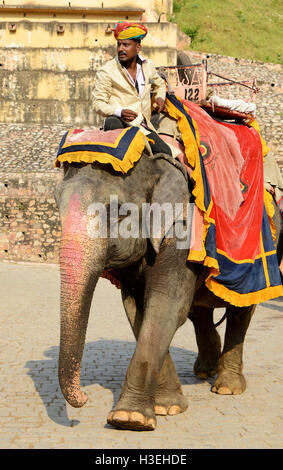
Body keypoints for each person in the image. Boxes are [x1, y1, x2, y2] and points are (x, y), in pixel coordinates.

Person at [92, 21, 172, 156]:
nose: (121, 49)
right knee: (112, 122)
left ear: (138, 47)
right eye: (119, 45)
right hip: (120, 123)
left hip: (143, 126)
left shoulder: (148, 66)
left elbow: (158, 84)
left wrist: (159, 97)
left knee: (168, 154)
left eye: (126, 45)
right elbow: (98, 103)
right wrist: (119, 112)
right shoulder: (107, 71)